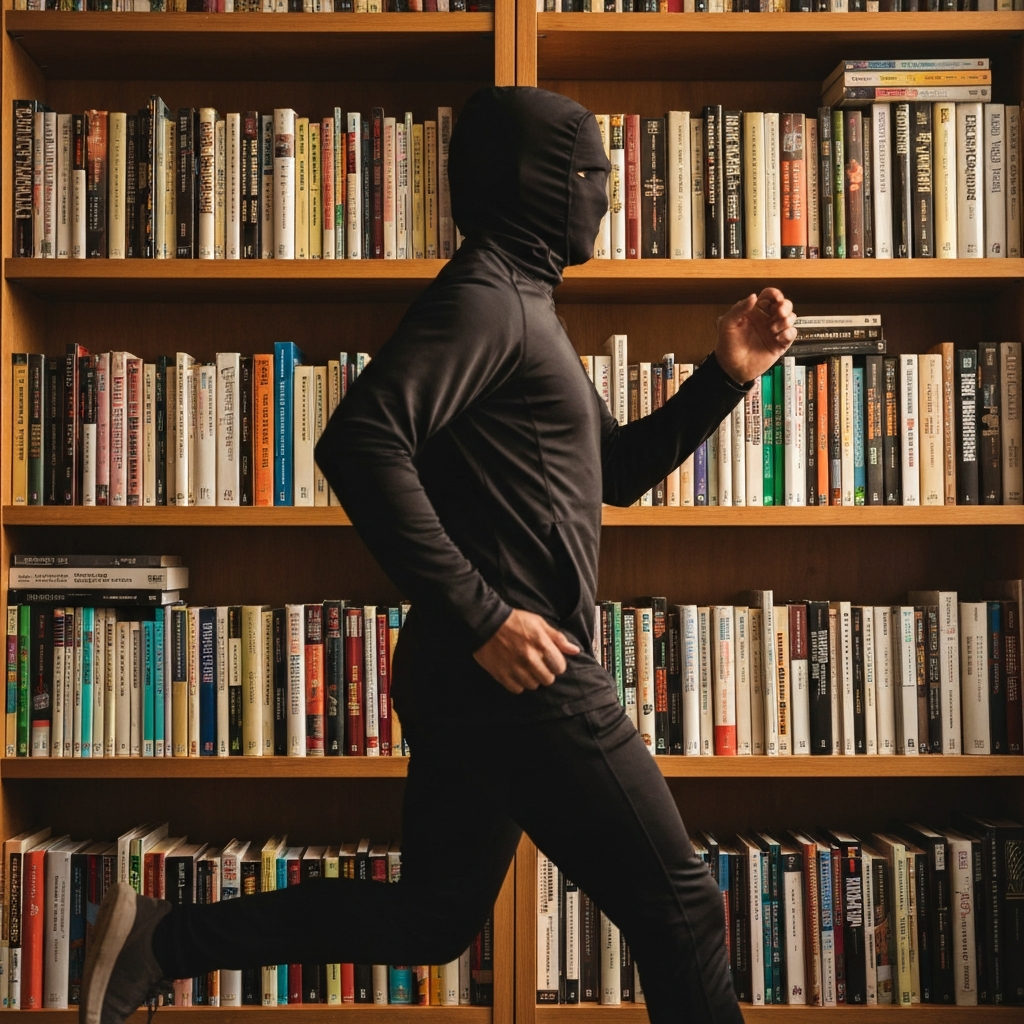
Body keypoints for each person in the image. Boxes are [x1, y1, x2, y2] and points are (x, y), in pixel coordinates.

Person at [81, 86, 795, 1024]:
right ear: (540, 184)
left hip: (473, 677)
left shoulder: (522, 301)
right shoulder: (488, 299)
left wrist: (725, 376)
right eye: (594, 178)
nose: (608, 200)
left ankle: (168, 940)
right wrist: (486, 615)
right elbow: (360, 442)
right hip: (521, 677)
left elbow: (611, 474)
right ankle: (167, 941)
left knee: (431, 920)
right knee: (686, 908)